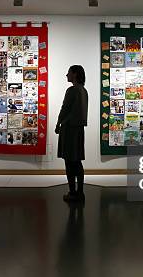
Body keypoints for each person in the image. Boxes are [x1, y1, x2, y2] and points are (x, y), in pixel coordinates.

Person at [56, 65, 88, 202]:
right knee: (77, 161)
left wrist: (58, 123)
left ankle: (72, 192)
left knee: (69, 161)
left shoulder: (72, 90)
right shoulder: (83, 90)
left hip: (69, 129)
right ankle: (80, 192)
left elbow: (65, 109)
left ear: (74, 74)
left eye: (68, 72)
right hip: (79, 128)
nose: (66, 75)